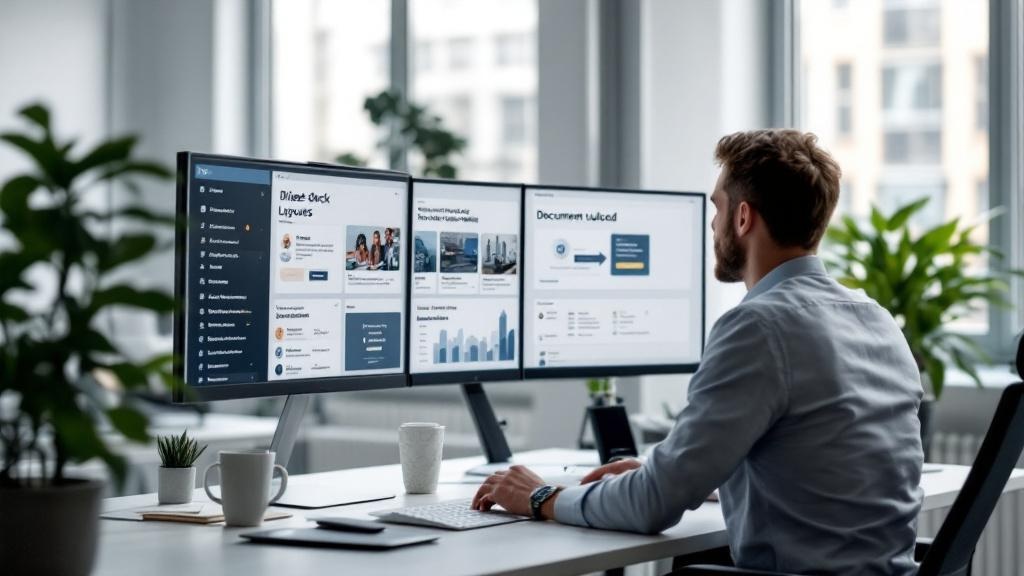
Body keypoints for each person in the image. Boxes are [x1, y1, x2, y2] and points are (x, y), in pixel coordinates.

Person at [473, 129, 924, 576]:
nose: (712, 224)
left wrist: (541, 496)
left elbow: (652, 506)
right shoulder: (876, 318)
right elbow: (819, 474)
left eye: (717, 207)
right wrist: (666, 473)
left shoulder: (759, 326)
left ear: (743, 218)